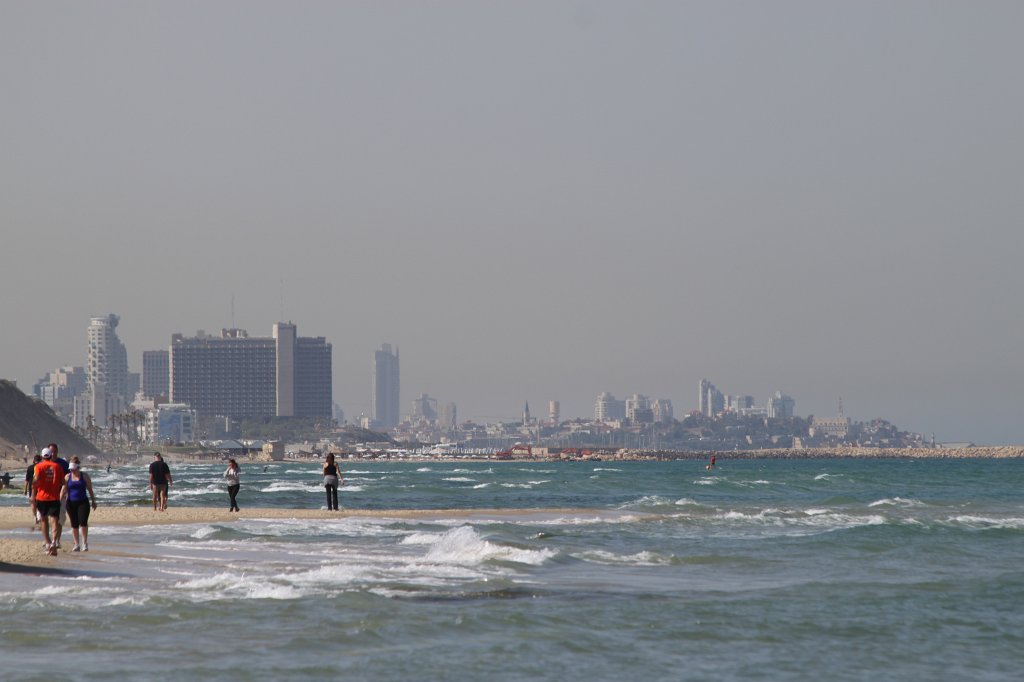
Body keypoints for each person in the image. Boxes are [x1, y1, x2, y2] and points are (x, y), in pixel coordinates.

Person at [32, 448, 64, 556]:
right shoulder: (57, 466)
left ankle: (48, 543)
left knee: (44, 520)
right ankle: (54, 542)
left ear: (42, 457)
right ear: (51, 456)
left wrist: (33, 491)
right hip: (54, 497)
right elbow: (63, 482)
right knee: (55, 521)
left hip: (42, 498)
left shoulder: (38, 466)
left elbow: (35, 480)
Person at [61, 456, 97, 551]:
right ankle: (76, 544)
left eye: (73, 469)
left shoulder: (84, 476)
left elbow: (90, 489)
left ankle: (84, 543)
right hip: (71, 503)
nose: (71, 471)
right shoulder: (67, 477)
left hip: (83, 502)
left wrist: (93, 501)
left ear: (77, 467)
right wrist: (60, 501)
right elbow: (64, 490)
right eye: (70, 469)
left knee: (83, 522)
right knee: (74, 524)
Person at [47, 443, 70, 548]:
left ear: (57, 452)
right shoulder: (45, 463)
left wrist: (66, 491)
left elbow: (69, 478)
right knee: (50, 519)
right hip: (47, 495)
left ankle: (57, 541)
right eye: (51, 452)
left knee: (60, 519)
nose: (53, 454)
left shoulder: (63, 464)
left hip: (61, 494)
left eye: (54, 451)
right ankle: (49, 540)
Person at [25, 454, 41, 527]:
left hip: (33, 488)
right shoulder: (41, 467)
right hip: (38, 488)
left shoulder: (30, 468)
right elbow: (27, 480)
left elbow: (27, 480)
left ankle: (36, 516)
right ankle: (37, 516)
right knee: (36, 503)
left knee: (33, 503)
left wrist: (25, 489)